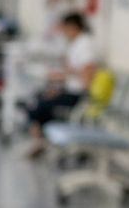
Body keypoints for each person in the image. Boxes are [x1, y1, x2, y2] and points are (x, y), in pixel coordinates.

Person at [24, 11, 97, 158]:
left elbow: (86, 77)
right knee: (36, 99)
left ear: (73, 27)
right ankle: (41, 142)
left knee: (38, 105)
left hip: (78, 95)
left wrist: (64, 78)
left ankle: (40, 143)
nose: (63, 33)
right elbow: (73, 72)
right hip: (69, 90)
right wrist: (60, 83)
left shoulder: (84, 45)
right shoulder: (76, 44)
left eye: (64, 29)